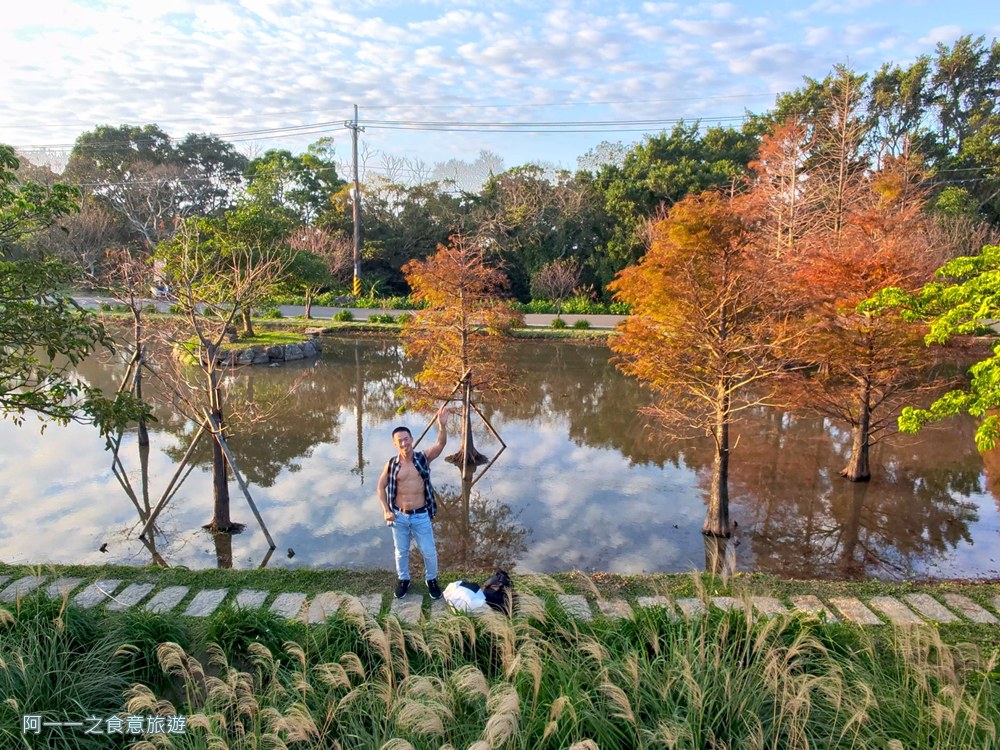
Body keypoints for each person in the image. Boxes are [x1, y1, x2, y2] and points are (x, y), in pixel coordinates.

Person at [377, 405, 452, 600]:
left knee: (429, 551)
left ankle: (432, 580)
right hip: (399, 516)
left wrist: (442, 427)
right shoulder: (391, 464)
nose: (404, 443)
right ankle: (404, 580)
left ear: (411, 439)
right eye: (399, 441)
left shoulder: (423, 458)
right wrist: (386, 510)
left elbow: (440, 445)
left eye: (406, 439)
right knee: (401, 552)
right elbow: (380, 487)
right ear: (395, 444)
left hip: (421, 515)